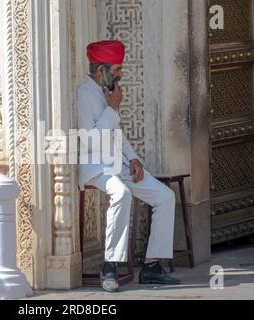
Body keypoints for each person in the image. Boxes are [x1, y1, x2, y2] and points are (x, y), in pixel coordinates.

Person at [77, 40, 181, 293]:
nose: (120, 74)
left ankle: (152, 266)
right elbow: (88, 140)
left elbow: (115, 132)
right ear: (100, 69)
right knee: (121, 194)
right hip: (95, 167)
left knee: (165, 197)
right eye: (116, 69)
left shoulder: (107, 90)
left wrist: (133, 158)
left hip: (118, 164)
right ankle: (109, 266)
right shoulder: (83, 93)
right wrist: (112, 108)